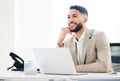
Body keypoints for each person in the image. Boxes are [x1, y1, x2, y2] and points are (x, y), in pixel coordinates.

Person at [57, 5, 113, 73]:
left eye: (74, 16)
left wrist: (73, 68)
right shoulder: (68, 42)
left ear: (85, 19)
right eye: (68, 17)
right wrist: (60, 41)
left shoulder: (99, 36)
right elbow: (60, 66)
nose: (70, 20)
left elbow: (104, 66)